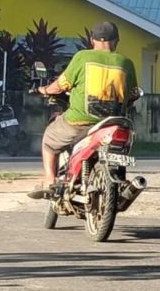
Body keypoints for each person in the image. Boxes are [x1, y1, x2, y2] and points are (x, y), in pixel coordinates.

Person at [29, 22, 138, 196]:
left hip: (79, 122)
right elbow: (133, 94)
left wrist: (44, 90)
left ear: (92, 40)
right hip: (113, 124)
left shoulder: (82, 57)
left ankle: (49, 181)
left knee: (49, 140)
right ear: (116, 41)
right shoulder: (126, 63)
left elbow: (61, 85)